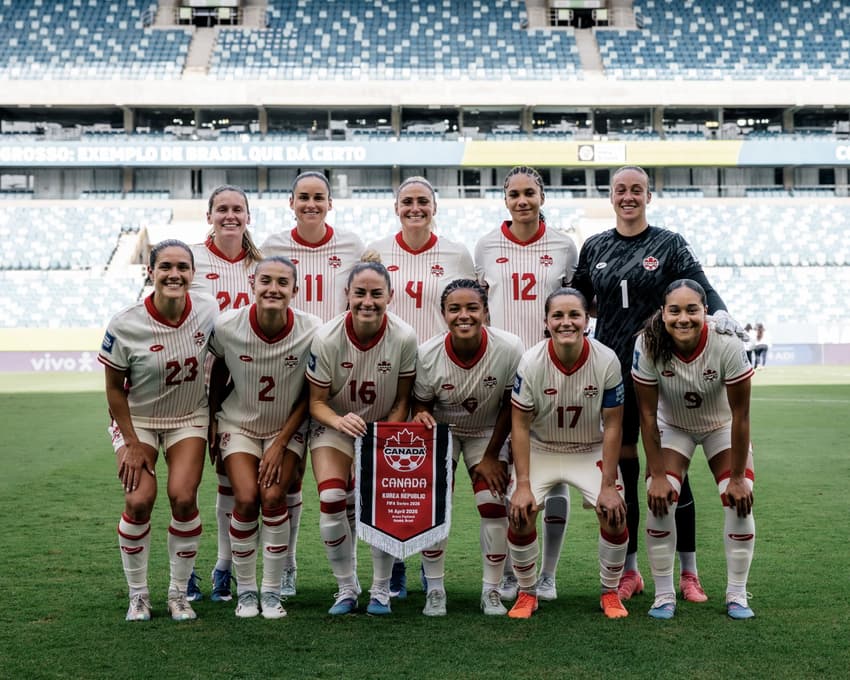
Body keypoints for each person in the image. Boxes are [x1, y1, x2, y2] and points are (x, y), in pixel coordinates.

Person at [572, 165, 742, 604]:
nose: (628, 196)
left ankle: (689, 573)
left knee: (667, 472)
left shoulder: (669, 243)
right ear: (611, 196)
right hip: (611, 369)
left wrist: (721, 313)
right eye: (621, 190)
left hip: (658, 369)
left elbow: (701, 288)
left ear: (649, 196)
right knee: (625, 470)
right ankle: (630, 571)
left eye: (637, 190)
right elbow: (579, 298)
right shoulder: (594, 246)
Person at [366, 176, 475, 596]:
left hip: (438, 379)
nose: (415, 208)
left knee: (433, 483)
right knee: (393, 481)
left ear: (435, 207)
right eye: (407, 201)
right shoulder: (376, 251)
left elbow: (469, 308)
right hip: (390, 377)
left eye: (423, 201)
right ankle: (393, 565)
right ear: (396, 208)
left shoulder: (456, 253)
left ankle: (432, 571)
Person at [474, 165, 579, 603]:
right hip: (501, 374)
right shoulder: (485, 246)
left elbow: (572, 306)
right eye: (514, 194)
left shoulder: (564, 246)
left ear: (542, 197)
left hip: (550, 373)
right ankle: (512, 572)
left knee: (552, 475)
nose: (522, 201)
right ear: (505, 200)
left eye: (529, 193)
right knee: (509, 479)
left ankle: (547, 574)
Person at [99, 239, 218, 622]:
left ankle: (178, 594)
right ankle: (138, 596)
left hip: (188, 416)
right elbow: (113, 389)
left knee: (183, 498)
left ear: (193, 273)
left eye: (183, 267)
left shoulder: (208, 310)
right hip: (137, 420)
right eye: (165, 266)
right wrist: (131, 443)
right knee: (138, 501)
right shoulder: (125, 323)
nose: (174, 274)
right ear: (150, 272)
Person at [261, 171, 365, 597]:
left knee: (346, 479)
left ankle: (354, 571)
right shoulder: (273, 245)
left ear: (330, 203)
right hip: (287, 370)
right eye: (303, 197)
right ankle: (287, 565)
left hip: (336, 372)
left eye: (319, 197)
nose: (311, 204)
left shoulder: (352, 245)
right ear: (291, 202)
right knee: (288, 477)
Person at [632, 279, 756, 619]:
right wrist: (658, 475)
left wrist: (736, 478)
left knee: (739, 499)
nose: (683, 318)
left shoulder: (727, 343)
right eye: (674, 311)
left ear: (706, 311)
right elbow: (646, 415)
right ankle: (663, 595)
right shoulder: (647, 343)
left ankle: (737, 593)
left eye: (692, 310)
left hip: (721, 426)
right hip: (673, 427)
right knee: (660, 501)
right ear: (663, 313)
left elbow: (741, 415)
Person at [207, 256, 321, 618]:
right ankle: (246, 592)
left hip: (285, 427)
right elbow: (218, 368)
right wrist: (212, 418)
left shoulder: (312, 330)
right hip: (238, 423)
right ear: (252, 285)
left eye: (282, 283)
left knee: (273, 497)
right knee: (244, 498)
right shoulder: (227, 325)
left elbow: (311, 393)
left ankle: (270, 592)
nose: (273, 289)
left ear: (295, 290)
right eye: (266, 281)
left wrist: (281, 442)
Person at [507, 287, 629, 619]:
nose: (566, 322)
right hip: (542, 448)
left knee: (615, 513)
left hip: (588, 449)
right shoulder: (531, 361)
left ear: (587, 320)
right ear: (546, 321)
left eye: (574, 315)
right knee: (520, 512)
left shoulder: (606, 359)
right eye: (557, 315)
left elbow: (613, 424)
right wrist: (522, 484)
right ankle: (527, 592)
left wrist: (608, 485)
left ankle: (610, 592)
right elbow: (519, 426)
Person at [307, 261, 418, 615]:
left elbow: (403, 400)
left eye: (376, 294)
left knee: (379, 503)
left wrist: (383, 434)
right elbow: (316, 402)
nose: (367, 301)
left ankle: (381, 589)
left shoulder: (404, 336)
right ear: (347, 295)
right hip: (335, 425)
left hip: (383, 428)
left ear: (390, 297)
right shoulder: (327, 337)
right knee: (332, 497)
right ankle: (346, 587)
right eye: (360, 293)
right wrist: (340, 421)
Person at [411, 279, 525, 616]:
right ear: (443, 314)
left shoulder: (509, 347)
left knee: (492, 504)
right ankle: (435, 589)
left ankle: (491, 590)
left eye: (472, 308)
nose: (464, 315)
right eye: (455, 309)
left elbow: (511, 405)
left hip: (488, 431)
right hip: (443, 430)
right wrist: (420, 416)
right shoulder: (428, 353)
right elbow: (421, 403)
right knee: (435, 504)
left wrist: (490, 456)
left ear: (486, 312)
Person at [188, 185, 263, 604]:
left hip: (241, 389)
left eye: (237, 209)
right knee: (186, 484)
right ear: (209, 216)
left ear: (248, 216)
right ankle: (186, 572)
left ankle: (222, 567)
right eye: (222, 209)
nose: (230, 215)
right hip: (192, 384)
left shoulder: (260, 264)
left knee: (227, 482)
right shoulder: (191, 259)